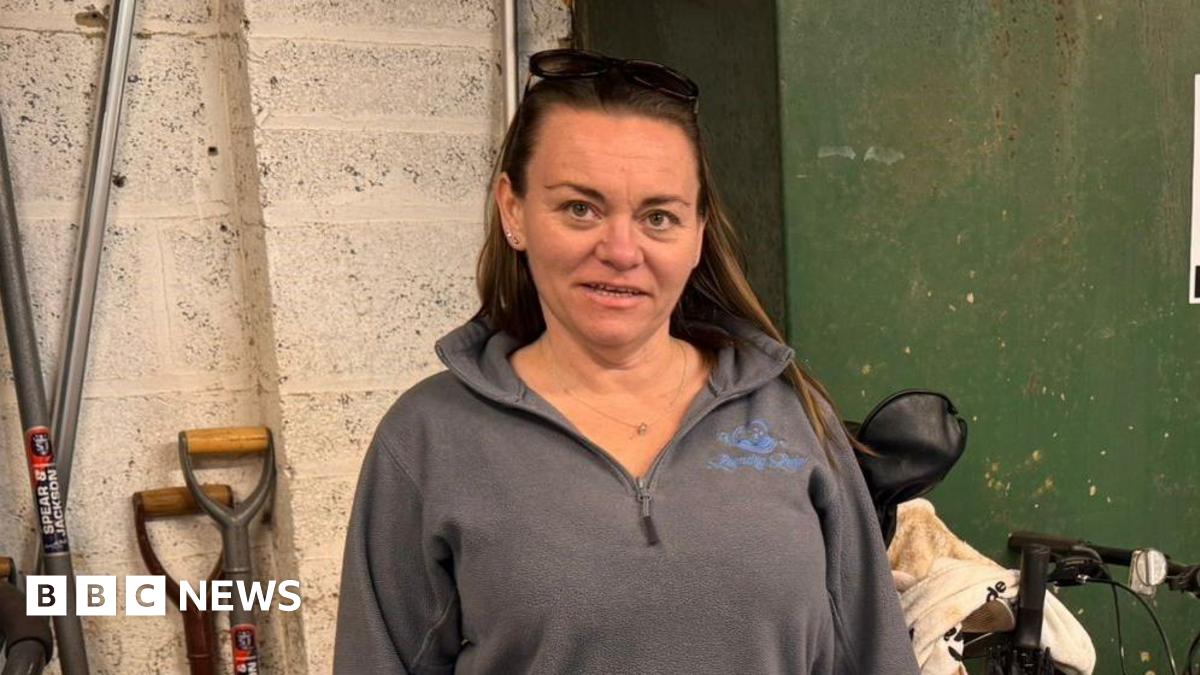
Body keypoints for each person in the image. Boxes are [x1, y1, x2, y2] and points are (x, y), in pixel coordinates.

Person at [333, 48, 919, 674]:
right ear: (514, 211)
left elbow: (875, 655)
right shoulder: (428, 439)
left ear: (697, 234)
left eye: (658, 217)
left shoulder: (791, 414)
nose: (620, 250)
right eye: (579, 208)